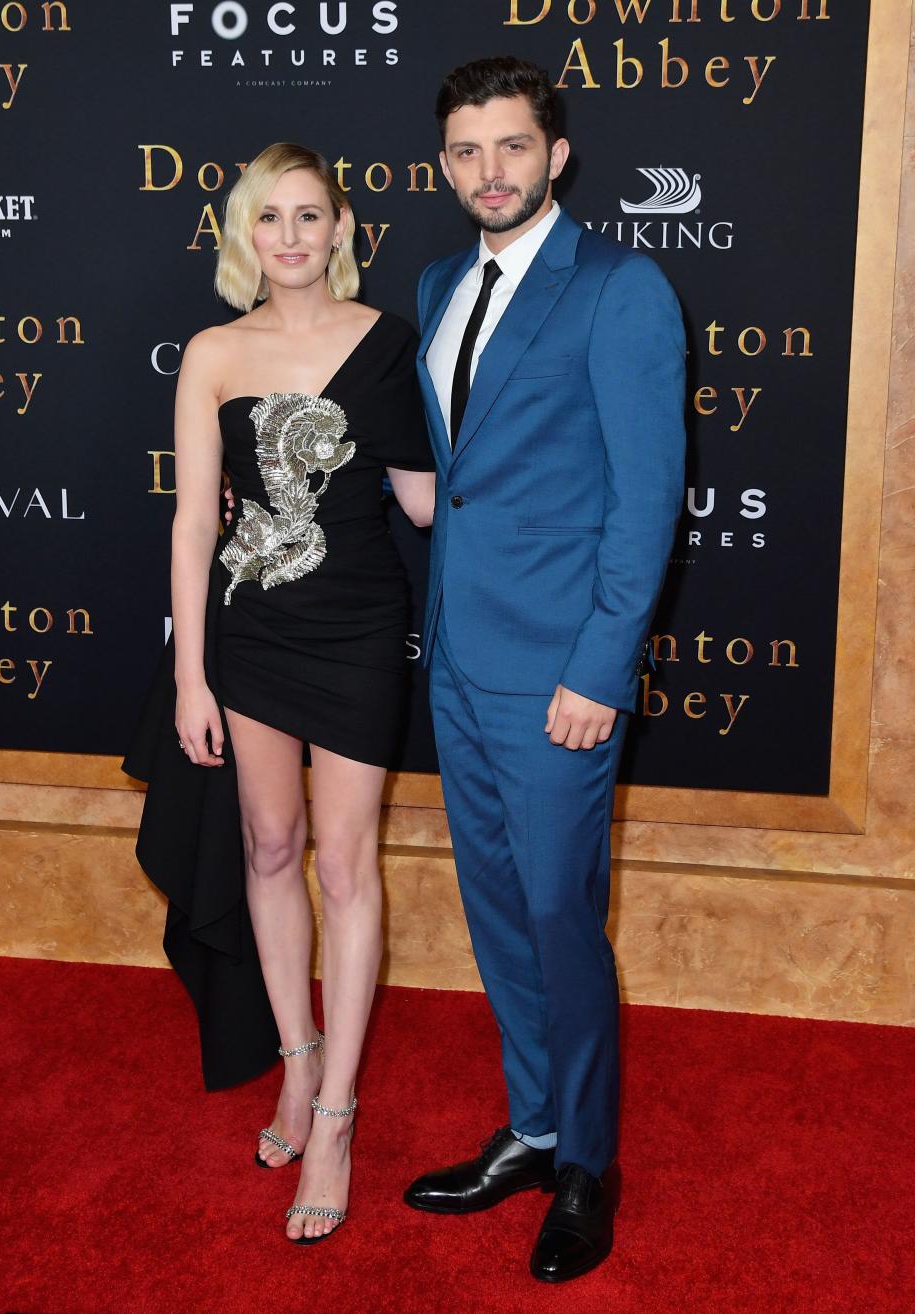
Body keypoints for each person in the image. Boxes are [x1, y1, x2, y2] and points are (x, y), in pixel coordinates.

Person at [402, 57, 686, 1284]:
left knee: (564, 915)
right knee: (499, 910)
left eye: (512, 148)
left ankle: (589, 1166)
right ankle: (534, 1126)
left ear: (556, 154)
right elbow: (458, 476)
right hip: (461, 656)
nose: (489, 174)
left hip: (560, 673)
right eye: (466, 152)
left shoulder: (621, 289)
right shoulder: (436, 282)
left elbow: (645, 504)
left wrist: (599, 671)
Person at [123, 143, 435, 1245]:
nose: (292, 237)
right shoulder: (212, 352)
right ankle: (297, 1069)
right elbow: (193, 523)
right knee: (266, 843)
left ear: (345, 228)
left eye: (311, 216)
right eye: (271, 218)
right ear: (242, 235)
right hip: (250, 626)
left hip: (356, 627)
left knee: (347, 864)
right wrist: (191, 673)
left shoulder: (388, 344)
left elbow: (426, 504)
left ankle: (340, 1117)